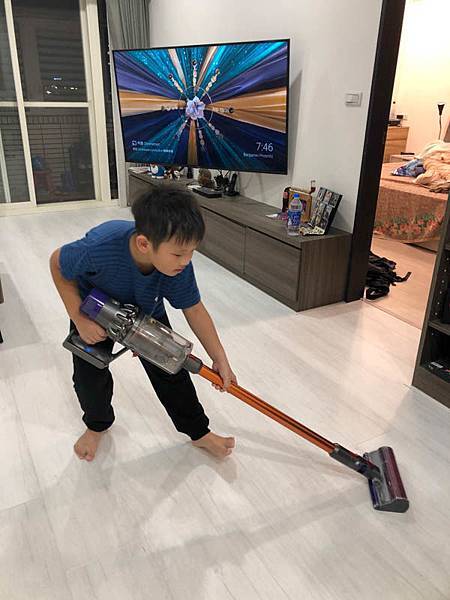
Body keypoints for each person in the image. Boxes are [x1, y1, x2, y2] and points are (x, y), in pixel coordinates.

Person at [49, 184, 236, 461]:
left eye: (192, 252)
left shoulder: (179, 268)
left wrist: (219, 356)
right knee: (89, 376)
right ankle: (96, 425)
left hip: (146, 310)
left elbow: (194, 309)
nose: (186, 261)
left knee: (172, 369)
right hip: (94, 309)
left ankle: (199, 433)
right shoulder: (100, 245)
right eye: (178, 254)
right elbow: (57, 263)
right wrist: (78, 318)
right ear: (144, 244)